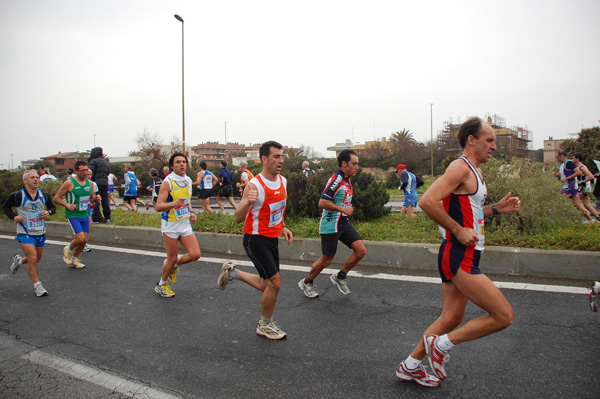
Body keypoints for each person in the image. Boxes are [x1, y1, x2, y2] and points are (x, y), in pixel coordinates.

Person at [395, 117, 521, 388]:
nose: (495, 147)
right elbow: (428, 201)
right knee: (503, 316)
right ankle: (441, 345)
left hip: (463, 253)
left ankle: (410, 366)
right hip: (459, 255)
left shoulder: (475, 171)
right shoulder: (460, 167)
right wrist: (458, 231)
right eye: (490, 140)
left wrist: (496, 209)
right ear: (471, 140)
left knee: (452, 317)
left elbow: (468, 214)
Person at [217, 141, 293, 340]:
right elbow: (237, 218)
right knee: (275, 284)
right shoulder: (255, 185)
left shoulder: (283, 182)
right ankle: (265, 324)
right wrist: (248, 202)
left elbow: (276, 209)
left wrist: (283, 226)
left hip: (272, 238)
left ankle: (232, 272)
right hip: (255, 239)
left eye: (282, 156)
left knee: (265, 284)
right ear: (264, 159)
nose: (281, 160)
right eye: (276, 157)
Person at [297, 149, 367, 298]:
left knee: (361, 251)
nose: (357, 167)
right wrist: (343, 209)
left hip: (343, 223)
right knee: (327, 260)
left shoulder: (347, 178)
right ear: (344, 163)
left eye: (357, 164)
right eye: (354, 164)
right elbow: (322, 202)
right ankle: (307, 282)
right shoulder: (337, 179)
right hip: (330, 224)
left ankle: (340, 277)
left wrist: (344, 209)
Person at [154, 153, 201, 297]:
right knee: (172, 257)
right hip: (170, 225)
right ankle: (161, 285)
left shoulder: (188, 180)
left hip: (184, 223)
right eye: (178, 162)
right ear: (172, 166)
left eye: (184, 162)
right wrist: (174, 203)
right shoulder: (168, 182)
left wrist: (191, 212)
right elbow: (158, 206)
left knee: (195, 254)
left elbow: (186, 201)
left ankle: (172, 266)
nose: (182, 164)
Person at [2, 169, 56, 296]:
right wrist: (14, 217)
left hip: (40, 231)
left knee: (36, 259)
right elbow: (5, 207)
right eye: (32, 177)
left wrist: (48, 213)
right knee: (32, 258)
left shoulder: (44, 195)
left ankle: (19, 261)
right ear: (25, 180)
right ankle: (38, 286)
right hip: (24, 231)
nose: (36, 179)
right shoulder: (17, 195)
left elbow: (52, 207)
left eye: (37, 177)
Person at [53, 161, 101, 269]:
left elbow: (92, 197)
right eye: (82, 170)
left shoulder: (90, 183)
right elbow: (56, 197)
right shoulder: (69, 183)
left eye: (86, 170)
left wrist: (96, 198)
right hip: (73, 214)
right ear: (76, 171)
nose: (85, 173)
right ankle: (68, 249)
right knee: (80, 239)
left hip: (85, 213)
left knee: (84, 240)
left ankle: (74, 259)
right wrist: (67, 205)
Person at [553, 151, 593, 222]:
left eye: (557, 157)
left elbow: (578, 172)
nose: (557, 159)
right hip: (566, 186)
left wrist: (567, 178)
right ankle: (589, 220)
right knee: (577, 205)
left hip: (570, 186)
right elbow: (562, 175)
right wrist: (556, 175)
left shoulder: (569, 163)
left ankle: (563, 220)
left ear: (562, 155)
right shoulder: (562, 165)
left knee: (559, 201)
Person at [572, 153, 600, 221]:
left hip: (584, 189)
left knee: (575, 202)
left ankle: (587, 218)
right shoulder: (579, 167)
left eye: (573, 158)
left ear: (577, 159)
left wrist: (582, 181)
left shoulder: (582, 167)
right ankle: (597, 218)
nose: (572, 160)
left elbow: (591, 176)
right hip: (585, 189)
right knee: (587, 205)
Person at [88, 147, 112, 224]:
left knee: (96, 201)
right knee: (105, 202)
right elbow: (108, 173)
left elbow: (91, 173)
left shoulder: (93, 161)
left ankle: (96, 218)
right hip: (105, 183)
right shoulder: (105, 162)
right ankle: (107, 217)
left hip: (96, 183)